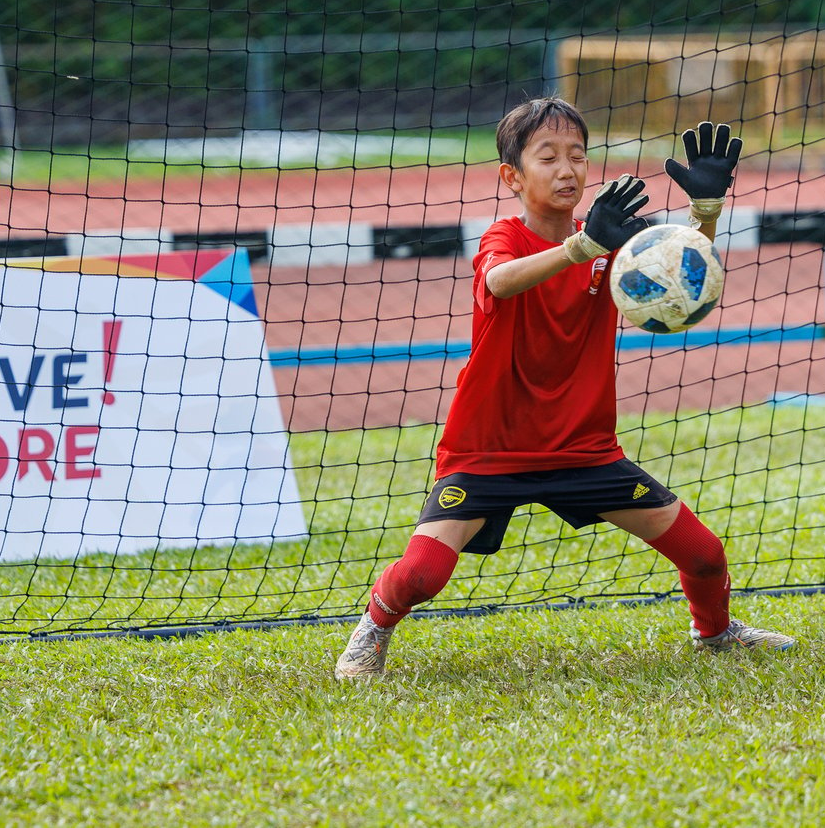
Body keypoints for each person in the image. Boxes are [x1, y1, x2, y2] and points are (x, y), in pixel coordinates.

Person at [335, 100, 795, 679]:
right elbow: (499, 283)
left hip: (584, 451)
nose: (567, 169)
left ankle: (716, 633)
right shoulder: (504, 238)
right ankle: (373, 627)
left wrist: (705, 209)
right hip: (489, 452)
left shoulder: (609, 242)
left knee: (704, 555)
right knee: (423, 576)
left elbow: (681, 276)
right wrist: (584, 247)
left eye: (577, 155)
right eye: (547, 157)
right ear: (512, 176)